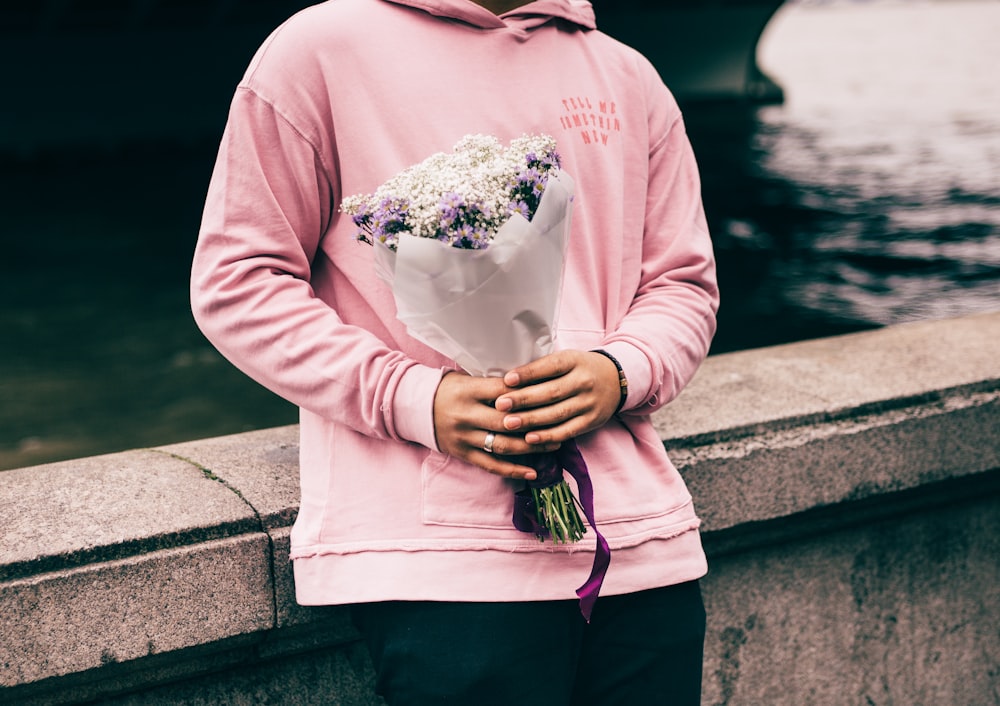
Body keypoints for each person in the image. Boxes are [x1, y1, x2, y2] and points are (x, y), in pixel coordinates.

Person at [191, 0, 719, 703]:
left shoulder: (629, 73)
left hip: (643, 550)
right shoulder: (316, 49)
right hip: (438, 568)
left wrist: (620, 371)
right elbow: (237, 279)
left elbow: (683, 283)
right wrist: (416, 398)